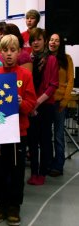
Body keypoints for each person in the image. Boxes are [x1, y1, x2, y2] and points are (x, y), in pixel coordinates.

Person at [0, 34, 37, 226]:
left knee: (16, 172)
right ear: (0, 53)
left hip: (18, 133)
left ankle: (14, 205)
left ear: (19, 52)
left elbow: (32, 103)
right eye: (5, 50)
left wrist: (21, 104)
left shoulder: (25, 75)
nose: (9, 54)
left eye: (13, 50)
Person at [27, 28, 59, 186]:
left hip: (45, 105)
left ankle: (42, 172)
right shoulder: (29, 59)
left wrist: (36, 103)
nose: (35, 42)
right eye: (33, 39)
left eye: (39, 39)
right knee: (32, 141)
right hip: (31, 106)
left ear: (44, 41)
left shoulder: (51, 59)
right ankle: (33, 171)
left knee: (45, 140)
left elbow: (53, 85)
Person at [49, 33, 74, 177]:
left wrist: (65, 100)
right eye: (51, 40)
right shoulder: (45, 58)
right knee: (46, 136)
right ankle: (48, 163)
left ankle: (58, 165)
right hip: (47, 102)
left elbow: (70, 80)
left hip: (59, 102)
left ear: (60, 44)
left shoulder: (67, 59)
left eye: (56, 40)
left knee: (58, 135)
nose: (53, 42)